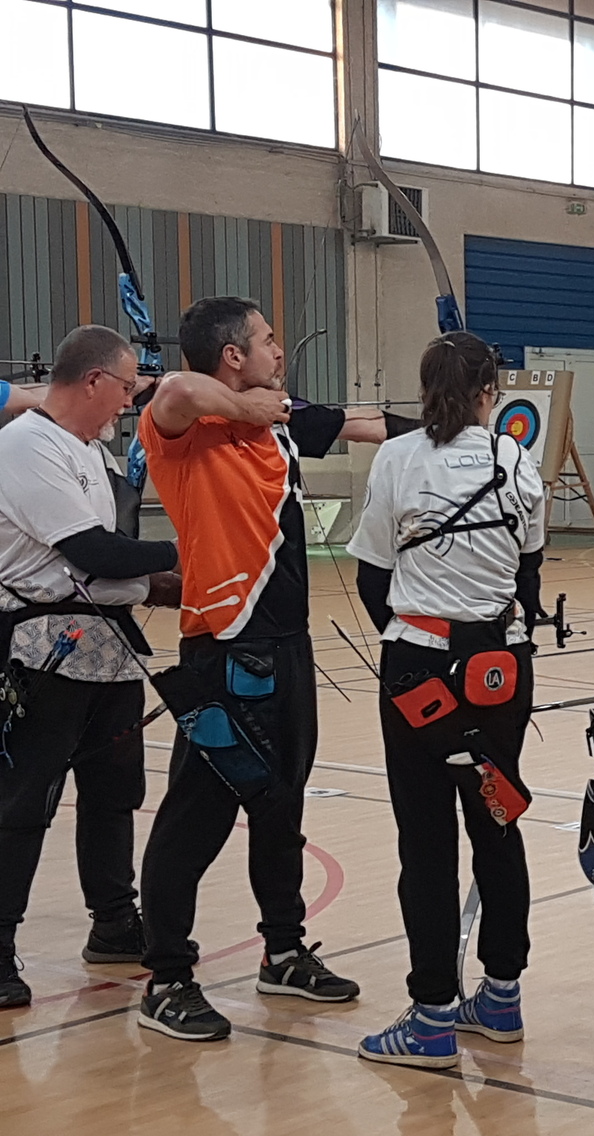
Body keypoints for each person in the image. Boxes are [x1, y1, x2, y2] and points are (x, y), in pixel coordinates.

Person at [134, 296, 397, 1041]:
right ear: (232, 356)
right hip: (223, 646)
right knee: (197, 814)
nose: (279, 351)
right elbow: (176, 389)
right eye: (268, 340)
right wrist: (255, 410)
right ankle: (167, 977)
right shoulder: (183, 429)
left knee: (282, 808)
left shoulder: (276, 422)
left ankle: (283, 951)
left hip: (286, 645)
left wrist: (456, 425)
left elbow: (363, 423)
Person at [345, 331, 546, 1067]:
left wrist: (412, 641)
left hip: (420, 671)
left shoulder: (398, 458)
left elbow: (373, 576)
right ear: (490, 392)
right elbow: (529, 574)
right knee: (498, 821)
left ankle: (432, 1018)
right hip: (501, 668)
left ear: (427, 389)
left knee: (426, 843)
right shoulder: (516, 458)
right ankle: (501, 996)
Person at [0, 325, 181, 1007]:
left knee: (113, 793)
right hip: (40, 649)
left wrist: (152, 579)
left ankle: (113, 923)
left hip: (107, 651)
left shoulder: (89, 451)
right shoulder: (25, 444)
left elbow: (109, 559)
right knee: (24, 802)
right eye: (127, 387)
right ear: (94, 380)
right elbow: (95, 554)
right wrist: (191, 549)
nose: (129, 401)